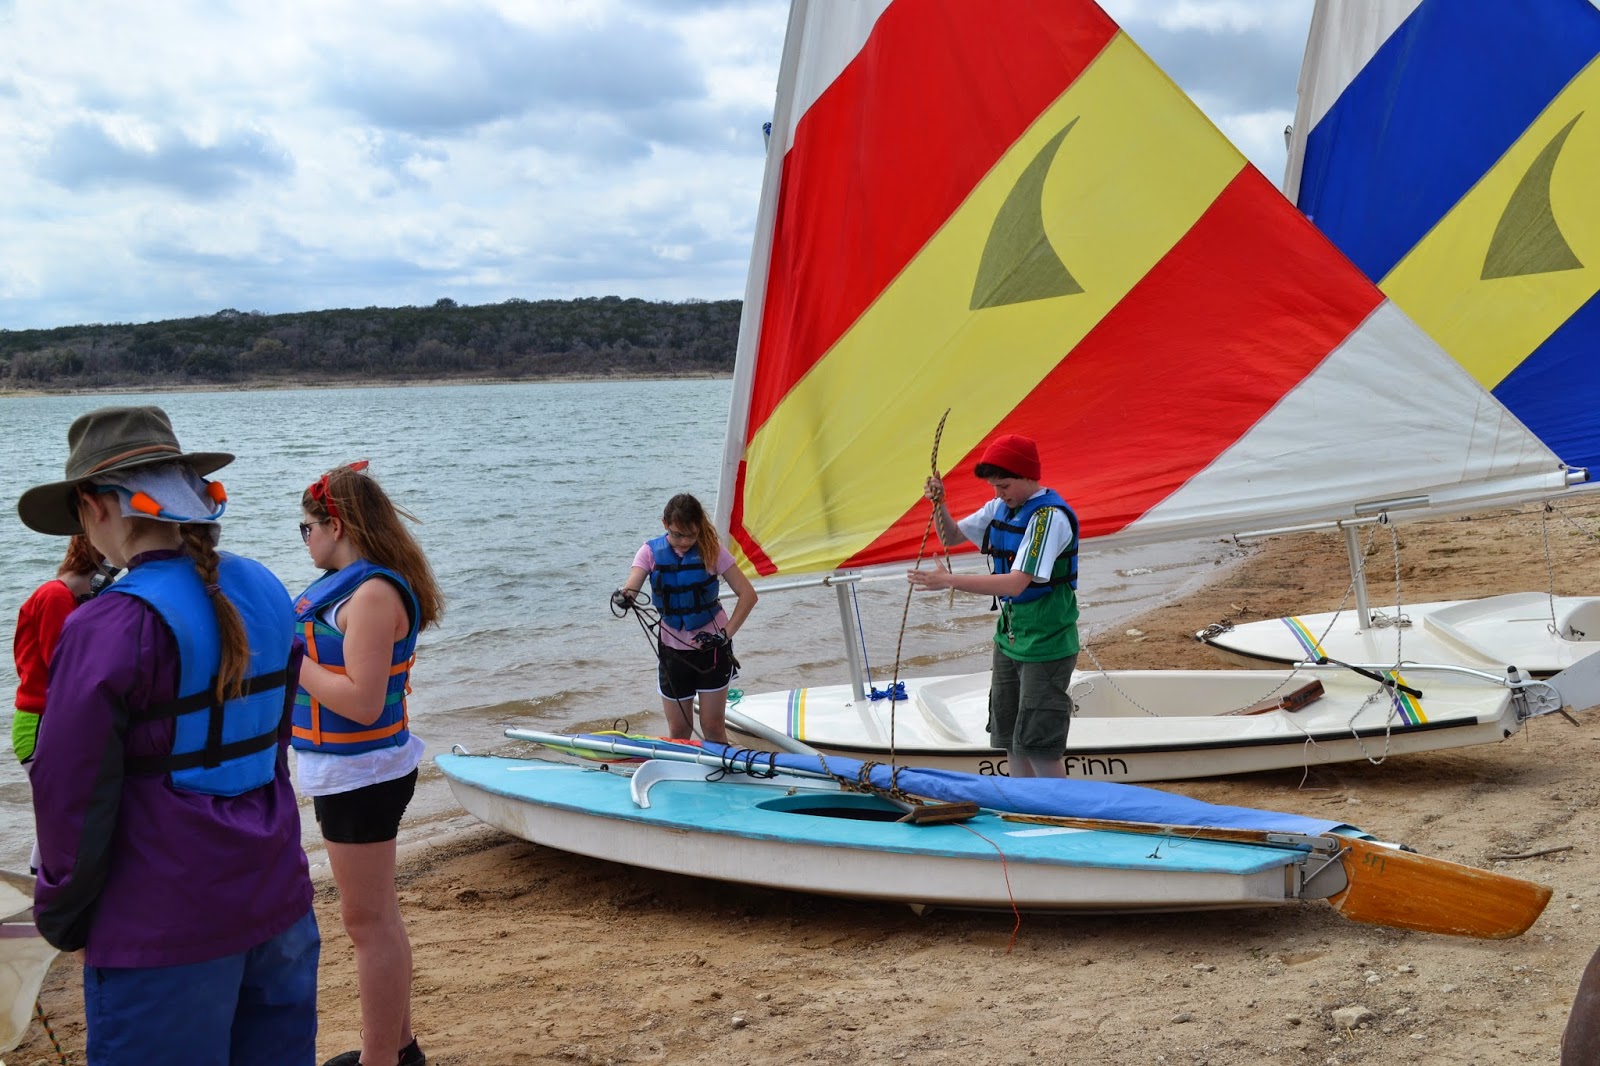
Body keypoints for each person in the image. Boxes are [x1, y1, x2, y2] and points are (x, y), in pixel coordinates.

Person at [16, 405, 318, 1064]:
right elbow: (271, 749)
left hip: (162, 927)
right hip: (277, 900)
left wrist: (61, 911)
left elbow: (71, 792)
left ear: (96, 507)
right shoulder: (267, 588)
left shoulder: (110, 626)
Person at [293, 462, 442, 1066]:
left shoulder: (373, 594)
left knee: (366, 922)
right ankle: (398, 1048)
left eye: (306, 528)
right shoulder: (352, 587)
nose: (303, 540)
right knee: (377, 915)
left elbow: (359, 702)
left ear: (338, 524)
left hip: (364, 774)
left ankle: (381, 1058)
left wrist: (288, 660)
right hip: (357, 772)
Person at [907, 433, 1079, 778]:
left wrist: (950, 581)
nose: (999, 494)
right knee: (1009, 739)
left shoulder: (1048, 519)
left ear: (1029, 476)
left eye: (1004, 485)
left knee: (1039, 743)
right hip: (1011, 637)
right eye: (995, 487)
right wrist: (939, 502)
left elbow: (1016, 583)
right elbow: (951, 536)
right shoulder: (1001, 507)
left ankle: (1058, 812)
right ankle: (1023, 806)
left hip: (1047, 641)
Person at [613, 493, 757, 744]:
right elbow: (632, 586)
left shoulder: (713, 551)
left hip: (712, 651)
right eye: (677, 534)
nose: (684, 541)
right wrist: (625, 597)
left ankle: (721, 780)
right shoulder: (649, 552)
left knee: (712, 728)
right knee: (679, 731)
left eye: (691, 535)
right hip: (673, 653)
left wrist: (726, 635)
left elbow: (748, 595)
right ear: (664, 524)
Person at [11, 534, 110, 764]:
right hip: (40, 719)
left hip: (46, 719)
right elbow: (64, 667)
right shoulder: (55, 595)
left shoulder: (61, 596)